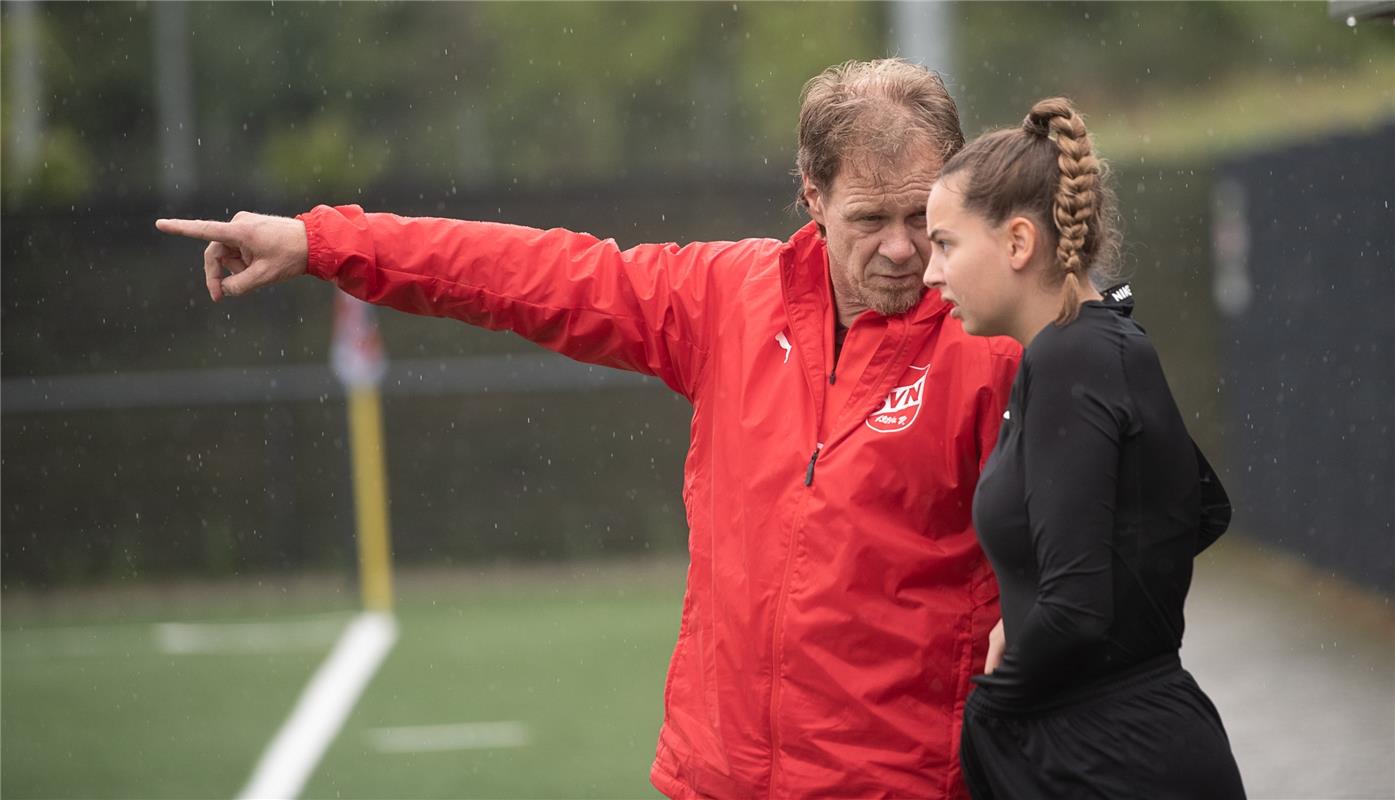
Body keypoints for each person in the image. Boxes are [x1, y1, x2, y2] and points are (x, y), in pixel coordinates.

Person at [157, 59, 1020, 798]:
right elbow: (531, 275)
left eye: (922, 216)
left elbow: (1109, 552)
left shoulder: (998, 344)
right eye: (870, 219)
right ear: (811, 196)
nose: (903, 248)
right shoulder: (728, 298)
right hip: (713, 778)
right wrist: (321, 243)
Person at [922, 97, 1246, 799]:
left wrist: (990, 705)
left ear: (1016, 243)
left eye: (944, 244)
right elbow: (1199, 511)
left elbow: (1075, 608)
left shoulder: (1072, 358)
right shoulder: (1100, 342)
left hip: (1108, 761)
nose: (928, 274)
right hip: (1124, 742)